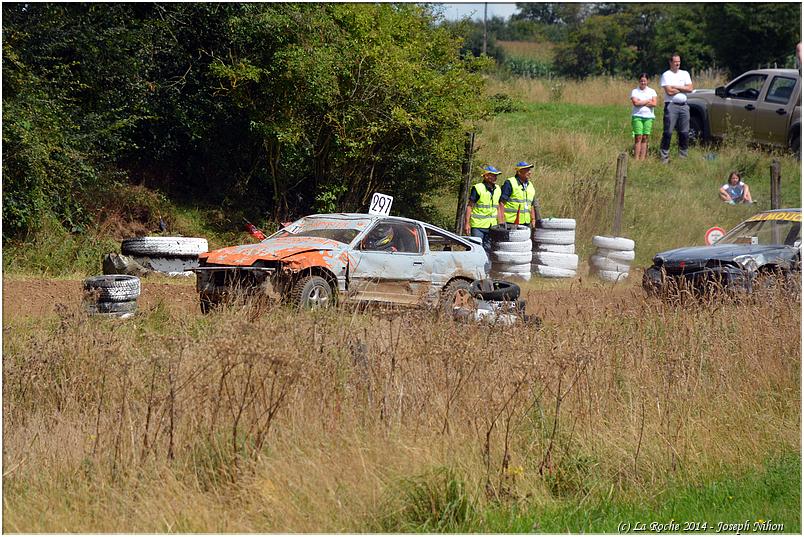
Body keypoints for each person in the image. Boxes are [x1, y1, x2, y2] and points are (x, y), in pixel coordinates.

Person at [659, 53, 694, 163]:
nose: (678, 63)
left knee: (684, 132)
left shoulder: (685, 74)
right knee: (668, 132)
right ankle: (664, 157)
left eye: (679, 61)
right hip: (671, 106)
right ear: (670, 62)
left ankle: (683, 157)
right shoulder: (666, 75)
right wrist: (684, 88)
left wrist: (676, 87)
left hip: (684, 106)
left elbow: (690, 89)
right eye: (675, 62)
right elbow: (669, 92)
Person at [464, 165, 503, 251]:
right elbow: (470, 206)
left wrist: (501, 223)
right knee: (476, 249)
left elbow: (498, 207)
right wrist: (467, 223)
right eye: (493, 175)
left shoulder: (498, 189)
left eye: (496, 175)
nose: (495, 177)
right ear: (486, 176)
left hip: (492, 226)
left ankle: (486, 265)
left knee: (488, 250)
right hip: (478, 226)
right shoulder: (478, 188)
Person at [498, 161, 542, 230]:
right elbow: (501, 203)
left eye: (529, 170)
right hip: (511, 223)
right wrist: (502, 221)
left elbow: (532, 205)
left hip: (526, 223)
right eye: (526, 170)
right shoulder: (510, 183)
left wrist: (533, 220)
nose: (529, 172)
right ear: (519, 172)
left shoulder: (530, 185)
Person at [630, 73, 657, 161]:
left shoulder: (652, 91)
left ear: (647, 81)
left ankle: (642, 159)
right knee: (638, 137)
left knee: (645, 137)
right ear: (639, 81)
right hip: (637, 116)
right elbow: (635, 103)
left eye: (644, 81)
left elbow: (654, 103)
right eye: (641, 81)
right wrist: (647, 101)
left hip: (648, 117)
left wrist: (641, 102)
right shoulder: (635, 91)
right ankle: (636, 158)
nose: (643, 82)